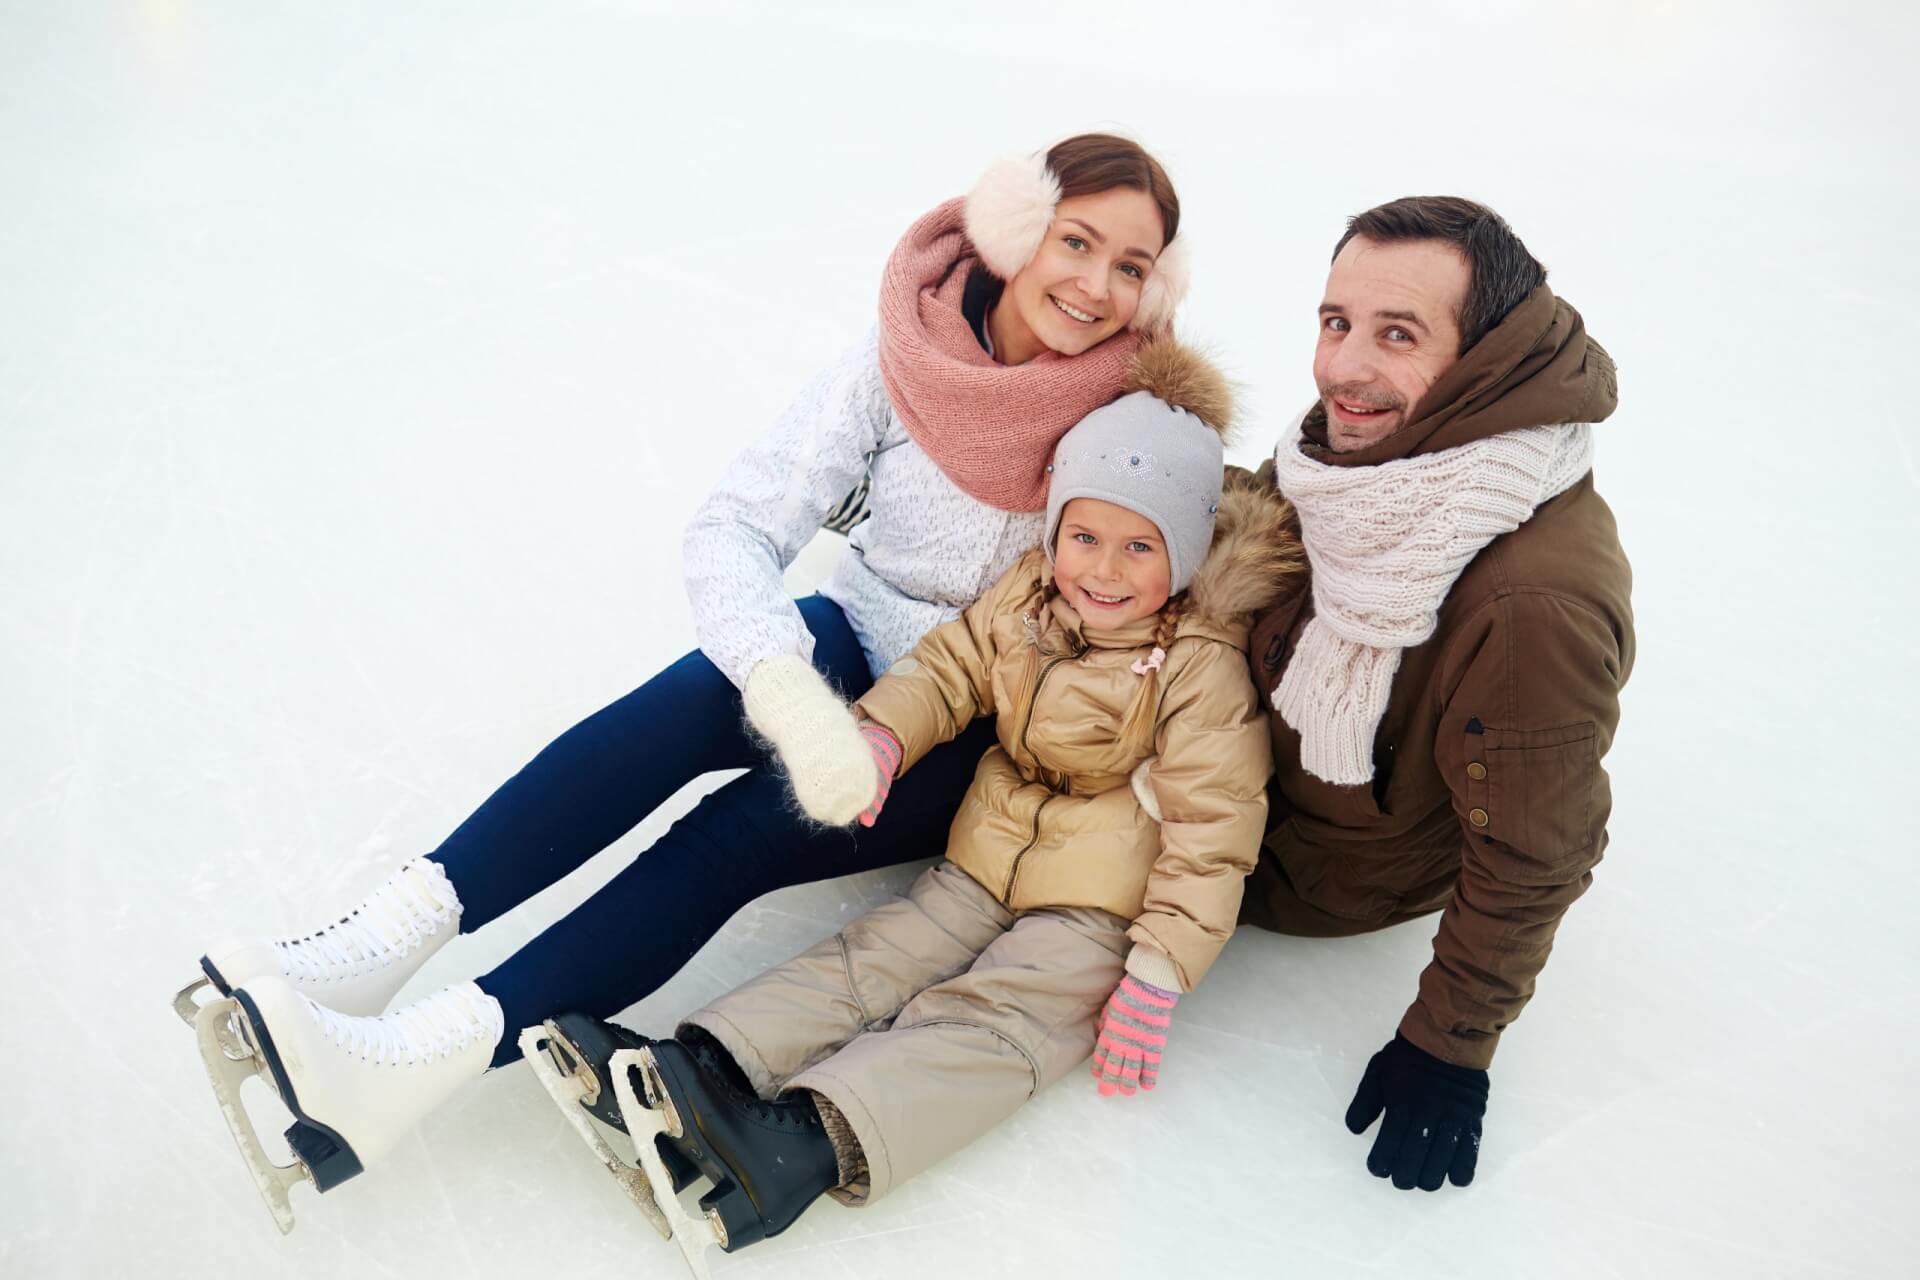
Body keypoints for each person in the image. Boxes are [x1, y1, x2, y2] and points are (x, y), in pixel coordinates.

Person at [181, 133, 1198, 1207]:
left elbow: (1181, 584)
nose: (1095, 286)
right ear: (1015, 229)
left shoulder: (1135, 419)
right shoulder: (911, 349)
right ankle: (373, 948)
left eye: (1131, 266)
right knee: (688, 698)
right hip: (850, 635)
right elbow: (735, 522)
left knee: (739, 834)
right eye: (1076, 242)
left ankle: (419, 1057)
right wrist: (781, 683)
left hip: (968, 726)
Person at [547, 350, 1302, 1252]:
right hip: (984, 859)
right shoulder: (1028, 597)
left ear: (1181, 552)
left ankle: (802, 1144)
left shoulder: (1199, 666)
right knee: (875, 955)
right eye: (1084, 537)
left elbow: (1216, 833)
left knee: (994, 1023)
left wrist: (1160, 968)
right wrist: (884, 733)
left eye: (1140, 546)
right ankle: (703, 1068)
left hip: (1103, 910)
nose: (1102, 569)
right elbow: (949, 669)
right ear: (1055, 530)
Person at [1243, 196, 1634, 1193]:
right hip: (1216, 755)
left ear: (1483, 358)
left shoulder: (1528, 602)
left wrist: (1448, 1044)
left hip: (1291, 865)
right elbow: (1247, 526)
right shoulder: (1364, 463)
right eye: (1337, 322)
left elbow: (1539, 848)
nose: (1343, 368)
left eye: (1399, 333)